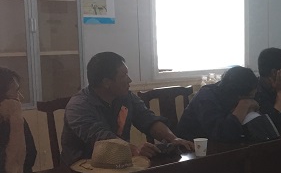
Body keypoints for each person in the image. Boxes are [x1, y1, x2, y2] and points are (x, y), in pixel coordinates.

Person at [61, 52, 194, 166]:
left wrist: (173, 139)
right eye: (124, 76)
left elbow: (148, 119)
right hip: (81, 169)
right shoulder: (78, 107)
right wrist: (135, 150)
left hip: (120, 165)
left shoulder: (126, 97)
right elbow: (103, 140)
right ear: (106, 82)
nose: (129, 80)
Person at [177, 66, 261, 142]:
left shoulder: (234, 93)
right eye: (250, 97)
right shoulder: (206, 97)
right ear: (238, 95)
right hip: (193, 147)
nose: (252, 101)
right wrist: (244, 105)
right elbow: (222, 134)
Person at [0, 68, 36, 173]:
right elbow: (12, 170)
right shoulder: (13, 117)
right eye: (16, 92)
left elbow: (31, 155)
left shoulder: (17, 120)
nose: (20, 97)